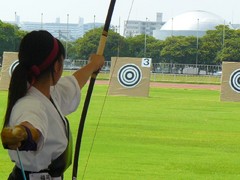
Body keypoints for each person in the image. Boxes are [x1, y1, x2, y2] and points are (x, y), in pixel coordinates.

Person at [1, 30, 104, 179]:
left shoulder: (49, 93)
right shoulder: (30, 104)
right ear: (57, 66)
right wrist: (23, 133)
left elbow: (74, 83)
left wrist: (93, 65)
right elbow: (30, 125)